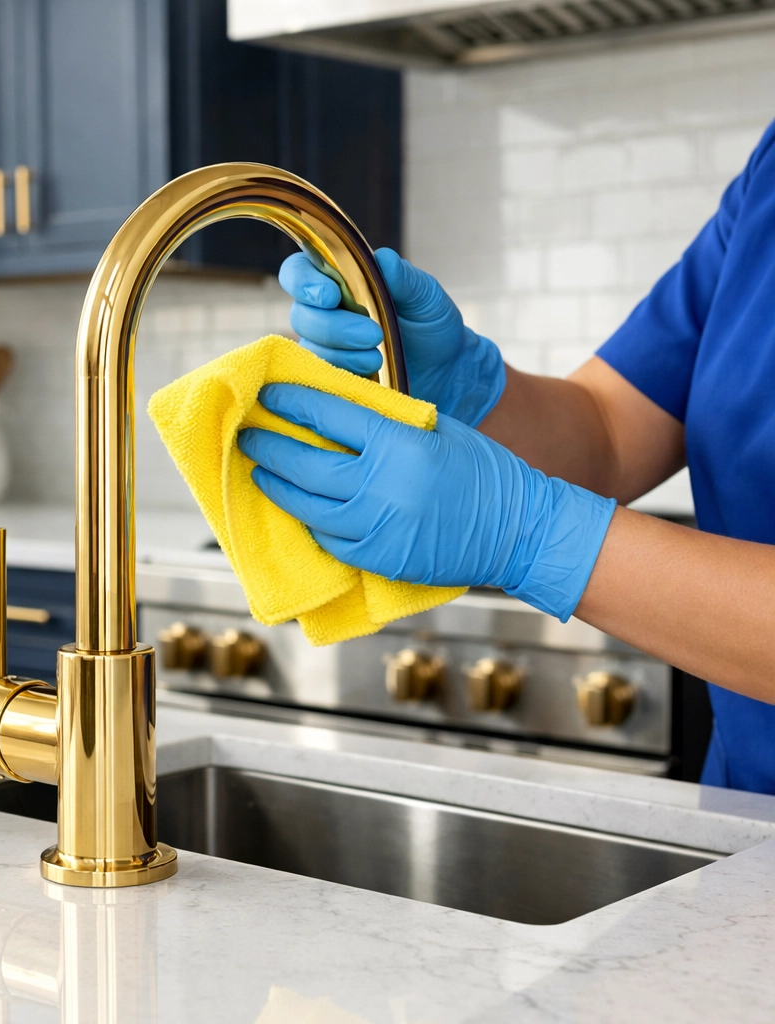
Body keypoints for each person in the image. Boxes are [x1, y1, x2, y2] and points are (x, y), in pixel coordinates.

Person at [238, 119, 775, 795]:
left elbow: (541, 512)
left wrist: (527, 531)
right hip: (747, 824)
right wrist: (465, 383)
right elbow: (610, 430)